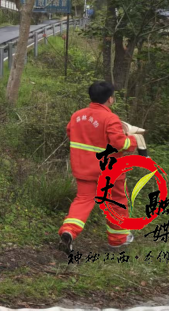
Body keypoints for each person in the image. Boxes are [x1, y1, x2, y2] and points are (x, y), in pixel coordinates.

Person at [59, 81, 138, 253]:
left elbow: (71, 133)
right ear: (110, 99)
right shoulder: (110, 118)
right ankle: (118, 240)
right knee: (116, 202)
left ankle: (69, 230)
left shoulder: (77, 116)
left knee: (83, 200)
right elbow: (119, 143)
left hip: (83, 168)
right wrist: (133, 140)